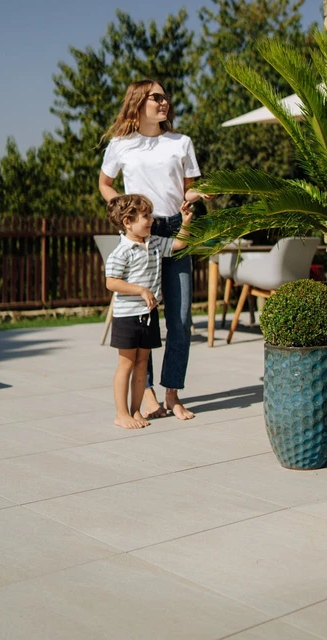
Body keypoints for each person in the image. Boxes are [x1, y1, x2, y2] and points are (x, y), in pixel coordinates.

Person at [99, 79, 206, 421]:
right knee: (141, 317)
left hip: (175, 229)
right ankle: (145, 394)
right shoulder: (120, 144)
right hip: (140, 234)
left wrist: (195, 198)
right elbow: (105, 183)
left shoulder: (181, 142)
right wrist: (124, 212)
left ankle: (173, 393)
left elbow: (187, 189)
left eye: (165, 97)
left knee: (181, 318)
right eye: (156, 97)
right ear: (138, 102)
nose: (164, 102)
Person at [105, 194, 193, 429]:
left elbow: (179, 245)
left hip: (148, 316)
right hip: (127, 317)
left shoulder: (153, 242)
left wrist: (184, 223)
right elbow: (111, 282)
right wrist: (141, 290)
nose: (151, 220)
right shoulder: (122, 252)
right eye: (145, 216)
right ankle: (120, 413)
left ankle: (135, 411)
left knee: (142, 363)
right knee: (126, 364)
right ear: (127, 221)